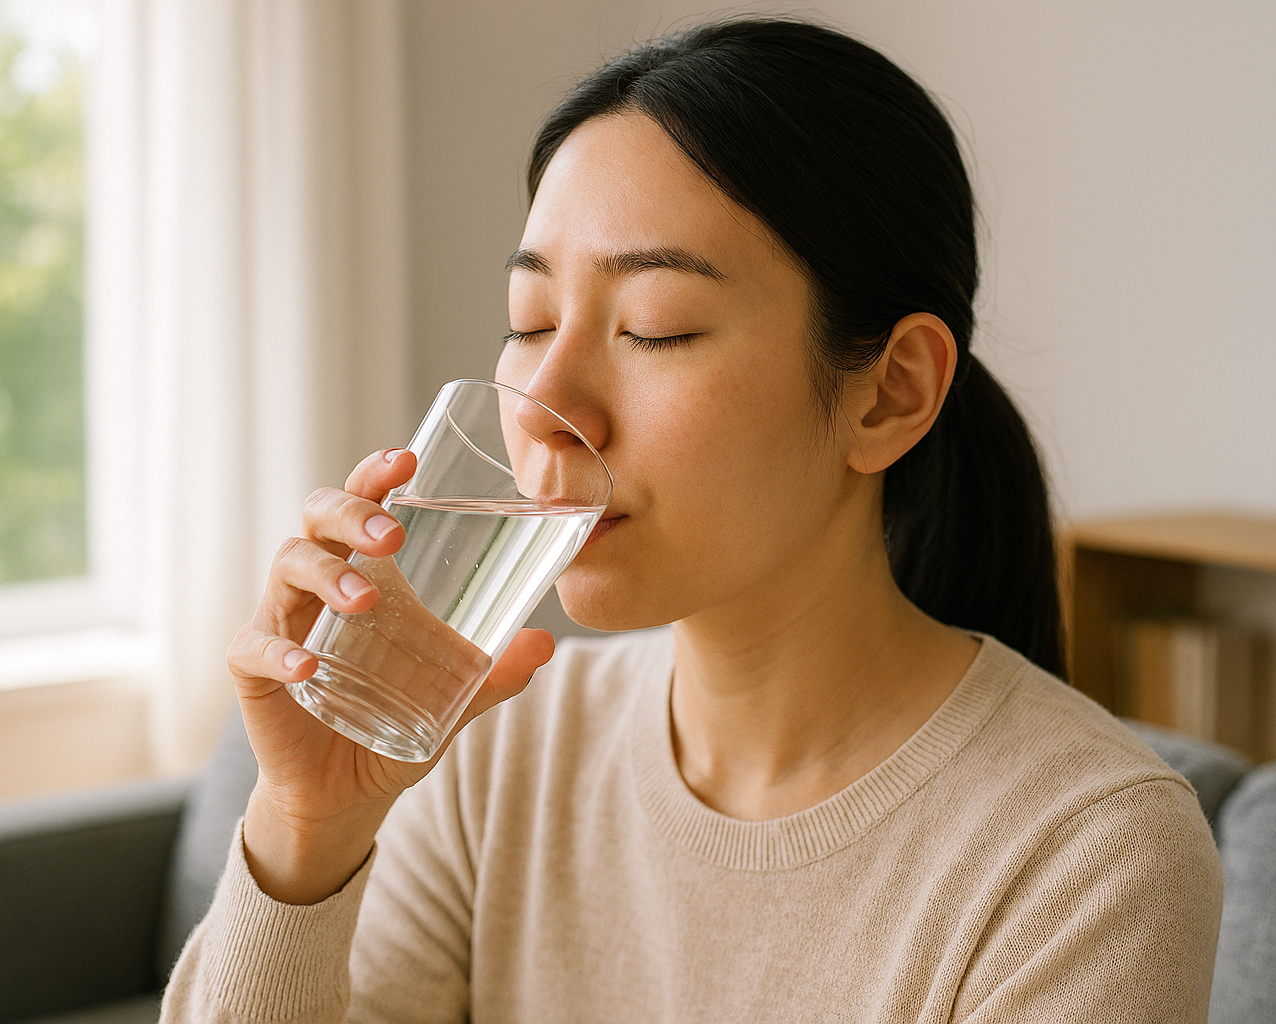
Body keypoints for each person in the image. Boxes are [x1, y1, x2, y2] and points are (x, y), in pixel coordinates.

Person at [161, 18, 1221, 1023]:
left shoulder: (1089, 852)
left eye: (656, 328)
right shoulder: (497, 752)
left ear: (891, 393)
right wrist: (307, 830)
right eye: (531, 320)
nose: (547, 408)